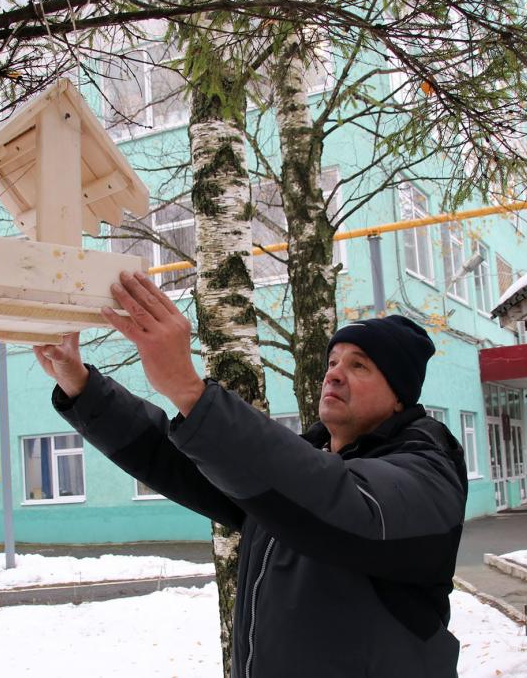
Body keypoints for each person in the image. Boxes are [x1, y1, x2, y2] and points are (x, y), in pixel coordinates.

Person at [34, 270, 468, 678]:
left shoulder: (428, 471)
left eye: (359, 366)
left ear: (399, 397)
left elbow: (344, 503)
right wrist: (81, 387)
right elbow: (174, 460)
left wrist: (189, 390)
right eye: (333, 362)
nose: (334, 374)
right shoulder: (292, 473)